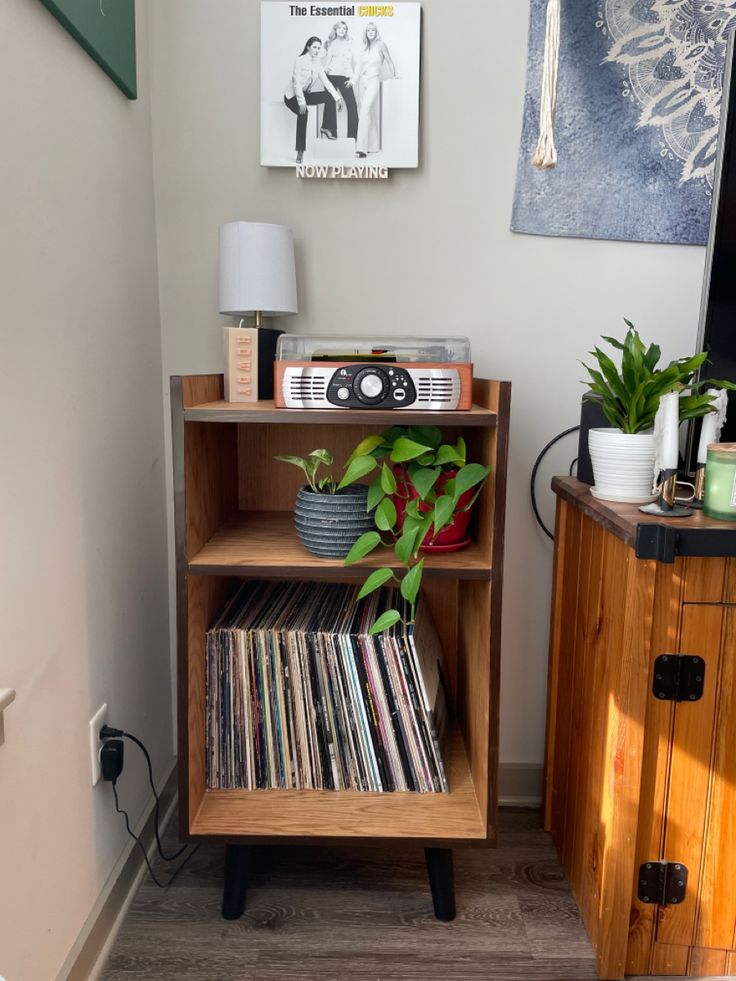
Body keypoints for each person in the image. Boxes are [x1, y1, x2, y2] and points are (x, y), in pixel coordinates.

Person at [284, 37, 343, 164]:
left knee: (329, 96)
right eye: (314, 47)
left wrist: (338, 98)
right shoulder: (299, 60)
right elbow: (297, 84)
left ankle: (326, 127)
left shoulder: (317, 63)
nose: (317, 50)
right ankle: (300, 151)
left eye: (319, 48)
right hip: (292, 97)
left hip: (305, 94)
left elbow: (326, 82)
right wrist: (301, 102)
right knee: (303, 113)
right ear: (308, 47)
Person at [351, 23, 396, 158]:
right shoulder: (364, 48)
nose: (371, 32)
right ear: (366, 33)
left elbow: (389, 61)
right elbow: (358, 67)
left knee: (364, 111)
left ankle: (361, 149)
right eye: (368, 30)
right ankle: (373, 146)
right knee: (365, 112)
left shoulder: (381, 45)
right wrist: (353, 79)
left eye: (373, 30)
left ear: (376, 32)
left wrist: (394, 75)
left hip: (373, 81)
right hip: (361, 82)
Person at [320, 21, 359, 142]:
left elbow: (357, 62)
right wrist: (324, 68)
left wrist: (353, 79)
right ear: (335, 30)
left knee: (352, 105)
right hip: (330, 76)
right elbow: (324, 58)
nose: (342, 30)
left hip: (345, 77)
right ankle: (331, 131)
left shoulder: (350, 43)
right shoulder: (329, 43)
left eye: (345, 28)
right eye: (340, 28)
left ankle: (354, 136)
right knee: (330, 104)